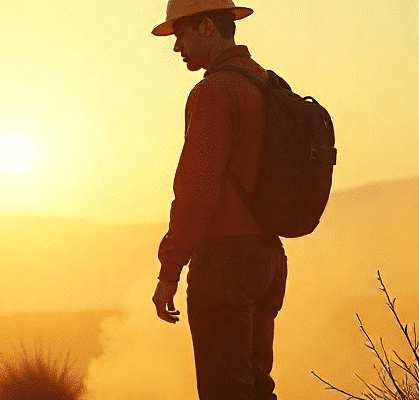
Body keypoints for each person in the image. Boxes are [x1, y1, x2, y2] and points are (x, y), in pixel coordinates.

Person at [149, 1, 288, 399]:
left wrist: (169, 271)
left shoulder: (214, 93)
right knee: (258, 389)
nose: (177, 46)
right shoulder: (266, 84)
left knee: (225, 393)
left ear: (206, 26)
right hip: (268, 261)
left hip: (226, 262)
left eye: (180, 34)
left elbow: (195, 192)